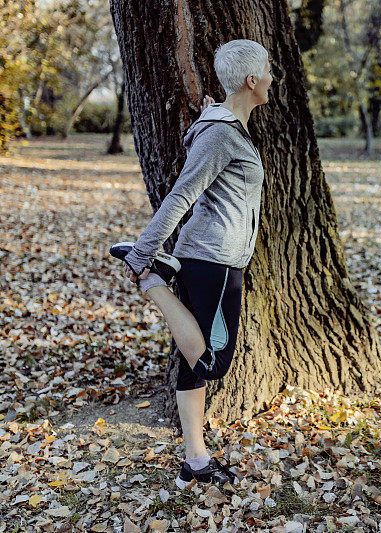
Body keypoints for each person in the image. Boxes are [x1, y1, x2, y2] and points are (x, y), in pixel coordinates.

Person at [109, 39, 273, 489]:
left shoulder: (224, 127)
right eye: (268, 72)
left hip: (211, 256)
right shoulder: (222, 133)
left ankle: (195, 461)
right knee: (213, 362)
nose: (274, 79)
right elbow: (182, 193)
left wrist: (210, 116)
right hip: (213, 260)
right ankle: (152, 279)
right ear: (251, 81)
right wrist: (144, 252)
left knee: (190, 359)